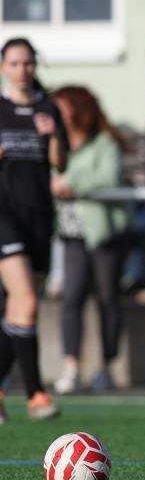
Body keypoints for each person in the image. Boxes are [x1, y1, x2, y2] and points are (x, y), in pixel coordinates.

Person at [0, 37, 68, 423]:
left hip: (38, 217)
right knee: (24, 302)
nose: (23, 70)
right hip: (3, 216)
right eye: (14, 63)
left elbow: (59, 164)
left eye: (28, 63)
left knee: (18, 311)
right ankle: (36, 394)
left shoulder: (48, 107)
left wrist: (52, 135)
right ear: (3, 68)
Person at [50, 86, 131, 395]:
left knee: (108, 299)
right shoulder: (56, 143)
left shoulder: (104, 144)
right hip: (70, 234)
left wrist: (71, 183)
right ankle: (71, 366)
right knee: (71, 299)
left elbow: (109, 177)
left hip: (102, 233)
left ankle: (106, 367)